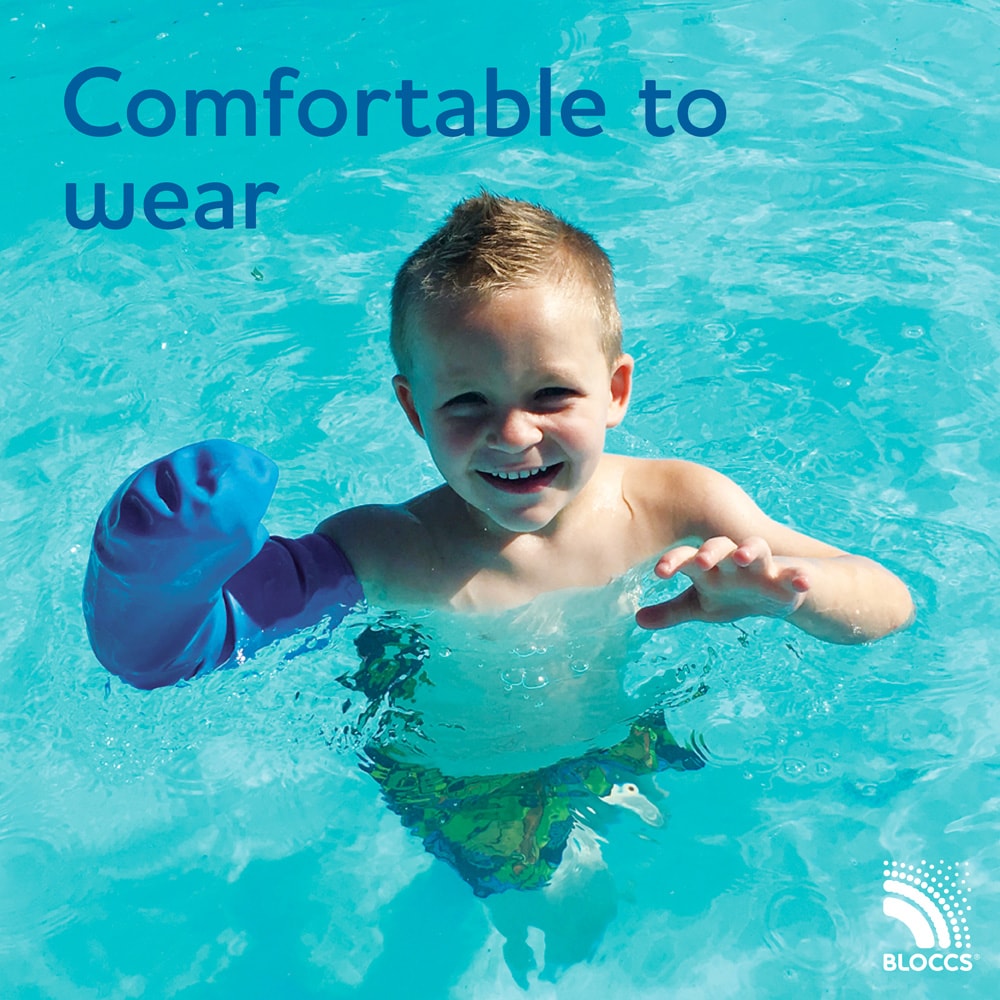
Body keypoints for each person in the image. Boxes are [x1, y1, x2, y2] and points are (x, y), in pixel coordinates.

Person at [83, 191, 914, 892]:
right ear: (413, 413)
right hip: (462, 779)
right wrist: (158, 568)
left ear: (615, 389)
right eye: (467, 404)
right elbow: (195, 648)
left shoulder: (674, 503)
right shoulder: (390, 548)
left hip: (621, 729)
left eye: (552, 393)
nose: (514, 435)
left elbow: (889, 605)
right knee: (557, 923)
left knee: (699, 882)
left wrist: (788, 594)